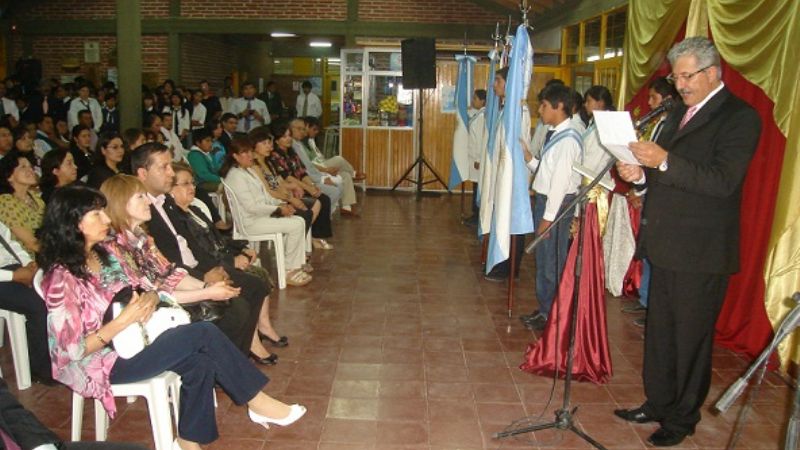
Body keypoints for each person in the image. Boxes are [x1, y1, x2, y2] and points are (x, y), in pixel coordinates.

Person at [36, 185, 306, 450]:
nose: (107, 219)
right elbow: (71, 350)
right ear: (73, 223)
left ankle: (187, 442)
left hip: (136, 339)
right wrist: (122, 321)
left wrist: (150, 298)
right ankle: (255, 400)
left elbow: (147, 284)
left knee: (199, 363)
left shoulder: (105, 253)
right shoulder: (61, 278)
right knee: (203, 333)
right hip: (101, 361)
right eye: (96, 214)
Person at [613, 37, 761, 447]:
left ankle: (682, 418)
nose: (679, 84)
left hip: (702, 251)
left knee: (690, 339)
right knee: (660, 333)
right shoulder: (678, 111)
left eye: (686, 75)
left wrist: (662, 160)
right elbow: (668, 175)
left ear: (713, 72)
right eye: (675, 76)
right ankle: (657, 402)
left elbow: (722, 181)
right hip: (666, 243)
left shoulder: (739, 117)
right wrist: (641, 176)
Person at [170, 164, 288, 349]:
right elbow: (199, 254)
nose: (192, 187)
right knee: (255, 283)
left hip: (220, 258)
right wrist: (231, 261)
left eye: (192, 183)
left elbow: (219, 239)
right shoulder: (176, 220)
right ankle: (253, 341)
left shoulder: (195, 210)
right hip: (209, 267)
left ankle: (261, 328)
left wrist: (240, 250)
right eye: (185, 184)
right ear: (170, 189)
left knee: (260, 275)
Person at [520, 83, 583, 331]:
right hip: (548, 202)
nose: (540, 111)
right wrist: (529, 159)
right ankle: (546, 309)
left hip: (555, 205)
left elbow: (559, 185)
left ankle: (554, 314)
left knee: (551, 263)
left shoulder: (568, 140)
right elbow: (547, 172)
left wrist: (547, 218)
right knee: (545, 260)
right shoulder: (555, 133)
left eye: (544, 106)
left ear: (558, 107)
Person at [221, 136, 313, 286]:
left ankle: (291, 265)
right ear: (235, 156)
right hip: (251, 222)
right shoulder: (236, 176)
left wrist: (282, 204)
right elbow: (252, 207)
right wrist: (278, 209)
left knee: (299, 221)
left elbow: (265, 196)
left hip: (261, 216)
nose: (250, 155)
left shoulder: (248, 171)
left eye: (251, 151)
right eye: (245, 152)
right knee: (296, 225)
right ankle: (289, 270)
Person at [249, 126, 331, 247]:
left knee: (317, 202)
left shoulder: (267, 161)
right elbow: (270, 190)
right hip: (270, 204)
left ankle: (302, 241)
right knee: (306, 212)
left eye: (269, 142)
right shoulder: (256, 165)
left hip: (280, 197)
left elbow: (281, 181)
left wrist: (297, 188)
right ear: (253, 146)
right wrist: (290, 199)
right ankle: (295, 245)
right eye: (264, 143)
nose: (269, 146)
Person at [0, 219, 53, 385]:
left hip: (13, 269)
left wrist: (28, 265)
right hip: (4, 277)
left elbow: (9, 243)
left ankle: (65, 356)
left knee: (57, 292)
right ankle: (40, 369)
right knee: (38, 305)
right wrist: (14, 276)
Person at [270, 122, 335, 250]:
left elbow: (302, 172)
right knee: (320, 200)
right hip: (292, 189)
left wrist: (311, 185)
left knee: (324, 198)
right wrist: (308, 188)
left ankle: (316, 236)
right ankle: (313, 237)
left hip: (302, 186)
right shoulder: (274, 155)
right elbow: (287, 177)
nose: (288, 139)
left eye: (289, 136)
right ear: (277, 141)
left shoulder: (292, 152)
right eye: (284, 137)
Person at [300, 116, 359, 216]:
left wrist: (328, 166)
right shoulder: (298, 144)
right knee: (339, 159)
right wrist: (326, 169)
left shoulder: (310, 141)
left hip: (322, 164)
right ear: (306, 127)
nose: (316, 132)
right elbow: (308, 165)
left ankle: (346, 207)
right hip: (316, 169)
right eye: (314, 129)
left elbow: (319, 157)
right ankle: (353, 173)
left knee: (345, 175)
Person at [288, 119, 343, 220]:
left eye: (304, 129)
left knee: (339, 182)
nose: (302, 132)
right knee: (334, 190)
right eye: (299, 129)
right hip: (306, 181)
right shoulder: (292, 146)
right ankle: (321, 218)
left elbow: (308, 165)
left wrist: (322, 175)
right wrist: (320, 180)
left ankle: (326, 216)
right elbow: (300, 172)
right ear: (290, 129)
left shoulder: (299, 143)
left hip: (313, 177)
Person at [0, 150, 44, 257]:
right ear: (9, 176)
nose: (31, 170)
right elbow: (30, 242)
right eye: (23, 167)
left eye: (30, 166)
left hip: (44, 253)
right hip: (26, 260)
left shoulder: (36, 198)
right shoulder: (6, 202)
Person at [464, 89, 487, 226]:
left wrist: (478, 159)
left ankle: (477, 214)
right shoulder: (479, 114)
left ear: (482, 101)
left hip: (478, 159)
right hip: (474, 157)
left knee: (478, 187)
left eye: (475, 99)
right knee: (475, 186)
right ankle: (475, 213)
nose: (473, 101)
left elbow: (480, 139)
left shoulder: (482, 117)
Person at [186, 127, 221, 192]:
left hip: (212, 180)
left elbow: (217, 168)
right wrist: (221, 179)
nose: (210, 144)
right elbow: (204, 175)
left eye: (211, 141)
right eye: (207, 141)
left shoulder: (208, 153)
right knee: (226, 187)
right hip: (201, 184)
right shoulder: (194, 155)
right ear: (198, 143)